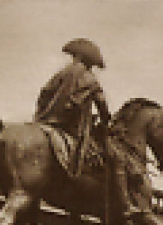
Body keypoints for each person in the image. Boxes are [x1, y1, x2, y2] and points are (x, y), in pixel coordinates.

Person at [35, 38, 111, 179]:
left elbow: (44, 94)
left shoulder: (62, 72)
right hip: (71, 125)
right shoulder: (90, 78)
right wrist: (106, 120)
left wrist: (42, 113)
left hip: (46, 119)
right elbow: (102, 104)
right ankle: (74, 175)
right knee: (95, 150)